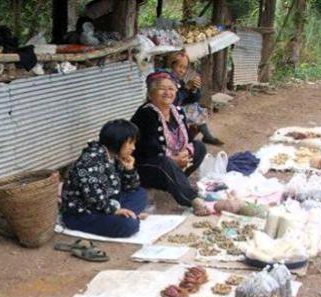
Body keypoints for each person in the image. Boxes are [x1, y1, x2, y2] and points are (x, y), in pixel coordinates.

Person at [130, 71, 211, 216]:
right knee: (165, 162)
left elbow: (189, 140)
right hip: (145, 167)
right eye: (162, 88)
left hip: (170, 161)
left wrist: (185, 153)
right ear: (150, 94)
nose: (168, 92)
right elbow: (149, 151)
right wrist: (174, 160)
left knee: (199, 147)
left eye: (171, 88)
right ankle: (192, 199)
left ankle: (178, 183)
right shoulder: (146, 114)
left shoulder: (177, 111)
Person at [60, 119, 150, 240]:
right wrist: (113, 210)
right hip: (84, 213)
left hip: (107, 202)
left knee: (140, 194)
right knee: (130, 226)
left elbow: (131, 187)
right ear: (118, 141)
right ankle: (130, 217)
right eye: (130, 143)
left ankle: (128, 215)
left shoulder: (113, 155)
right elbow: (92, 196)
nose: (133, 148)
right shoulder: (90, 160)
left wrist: (129, 169)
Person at [167, 51, 224, 146]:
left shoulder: (179, 80)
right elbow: (174, 100)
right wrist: (186, 89)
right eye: (179, 66)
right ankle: (195, 138)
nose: (182, 70)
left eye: (184, 68)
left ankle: (203, 136)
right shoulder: (167, 79)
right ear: (171, 65)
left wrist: (194, 90)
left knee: (196, 106)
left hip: (176, 108)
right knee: (193, 110)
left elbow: (192, 99)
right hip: (168, 109)